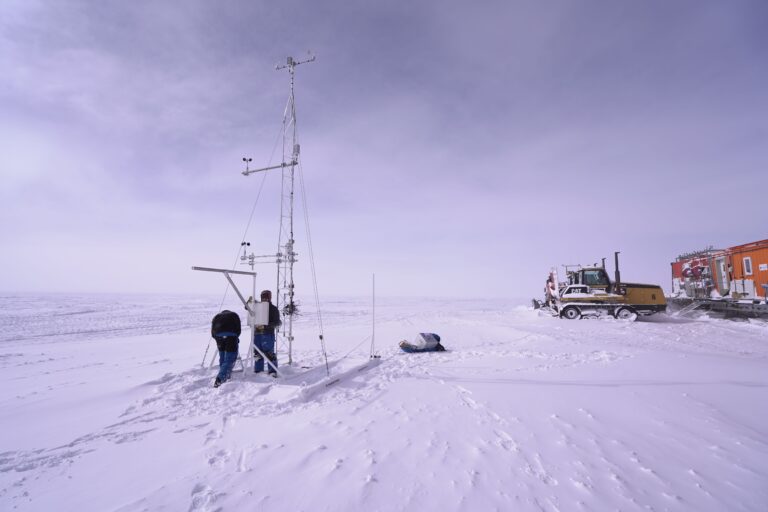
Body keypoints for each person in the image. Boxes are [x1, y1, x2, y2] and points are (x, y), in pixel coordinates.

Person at [253, 290, 282, 376]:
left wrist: (265, 326)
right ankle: (259, 370)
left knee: (269, 353)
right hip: (258, 334)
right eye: (263, 297)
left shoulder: (273, 309)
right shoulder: (257, 307)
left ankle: (272, 371)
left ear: (269, 297)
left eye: (266, 296)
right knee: (258, 353)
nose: (264, 298)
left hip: (267, 334)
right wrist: (251, 302)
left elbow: (276, 322)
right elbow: (246, 307)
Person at [211, 309, 242, 388]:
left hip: (218, 336)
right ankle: (220, 379)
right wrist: (235, 337)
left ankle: (224, 374)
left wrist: (217, 338)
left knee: (222, 357)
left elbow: (212, 331)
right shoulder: (234, 315)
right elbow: (238, 329)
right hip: (231, 336)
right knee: (230, 357)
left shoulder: (217, 317)